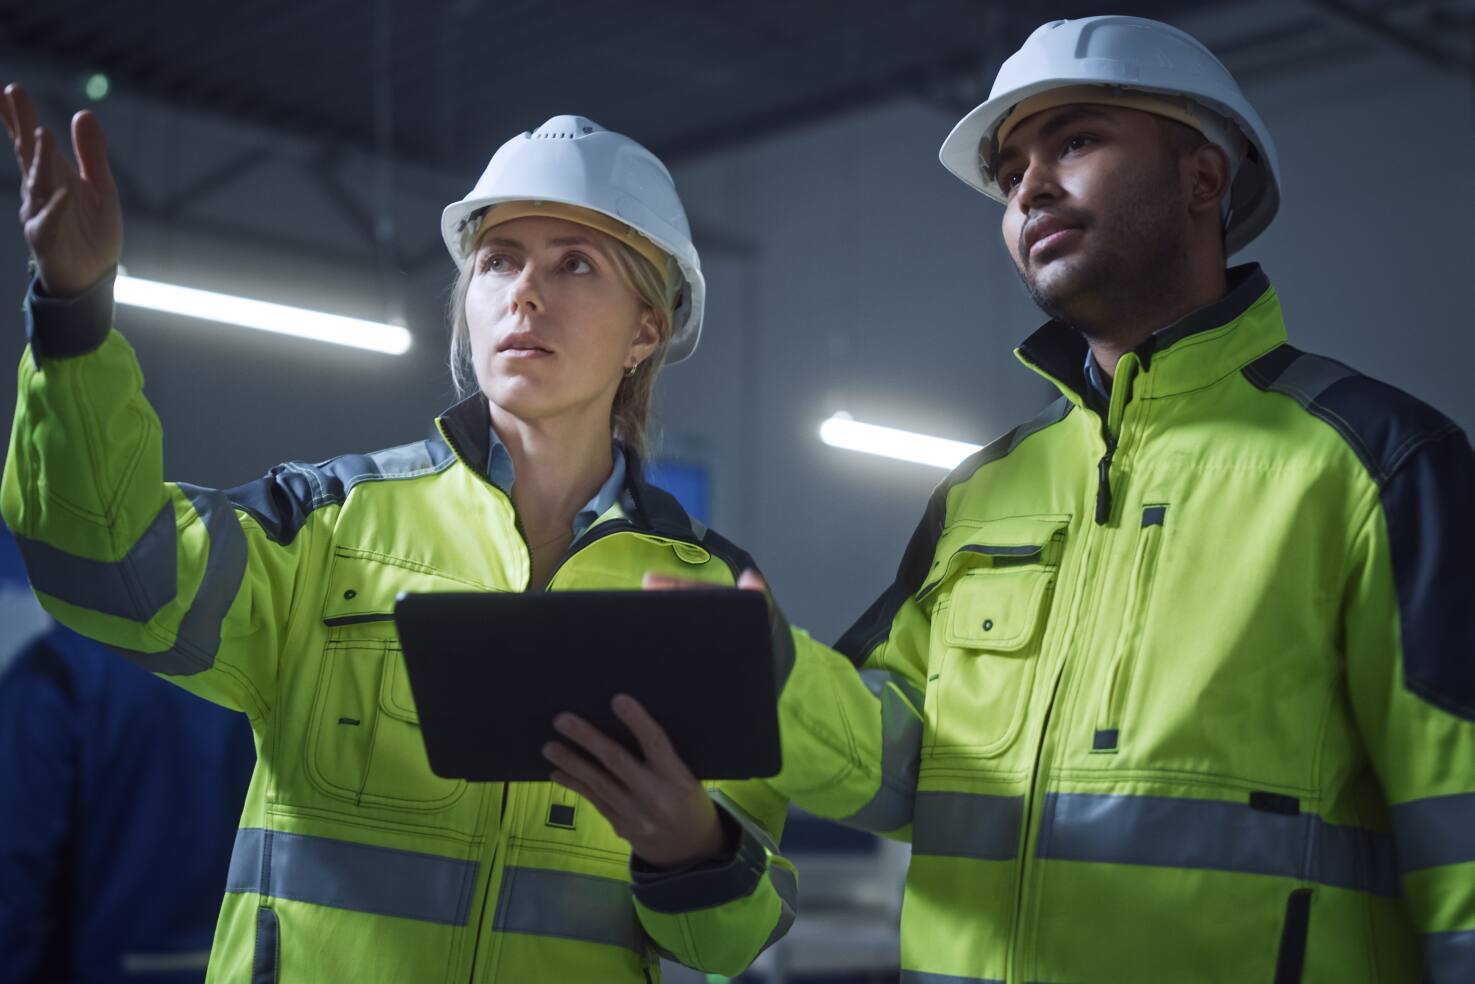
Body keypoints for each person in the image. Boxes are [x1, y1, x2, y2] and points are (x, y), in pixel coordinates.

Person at [717, 14, 1474, 983]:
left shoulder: (1376, 463)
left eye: (1073, 141)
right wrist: (762, 672)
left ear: (1203, 178)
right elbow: (896, 764)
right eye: (1009, 172)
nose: (1029, 184)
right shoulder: (984, 493)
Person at [0, 85, 795, 983]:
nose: (525, 293)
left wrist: (689, 845)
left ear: (646, 328)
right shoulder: (327, 524)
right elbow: (105, 569)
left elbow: (731, 941)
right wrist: (73, 314)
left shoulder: (708, 593)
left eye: (574, 265)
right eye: (498, 262)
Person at [0, 524, 256, 984]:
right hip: (233, 959)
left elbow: (14, 866)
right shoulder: (240, 669)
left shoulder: (60, 675)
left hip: (102, 962)